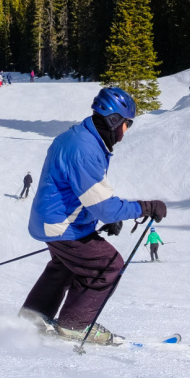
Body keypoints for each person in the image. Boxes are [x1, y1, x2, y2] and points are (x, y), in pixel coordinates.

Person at [19, 87, 168, 346]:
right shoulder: (85, 150)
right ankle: (74, 325)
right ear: (114, 120)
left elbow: (75, 191)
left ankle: (34, 316)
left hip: (53, 221)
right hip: (61, 225)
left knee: (67, 264)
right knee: (108, 264)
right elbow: (106, 207)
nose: (126, 130)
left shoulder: (80, 138)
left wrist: (98, 217)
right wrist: (145, 207)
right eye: (127, 123)